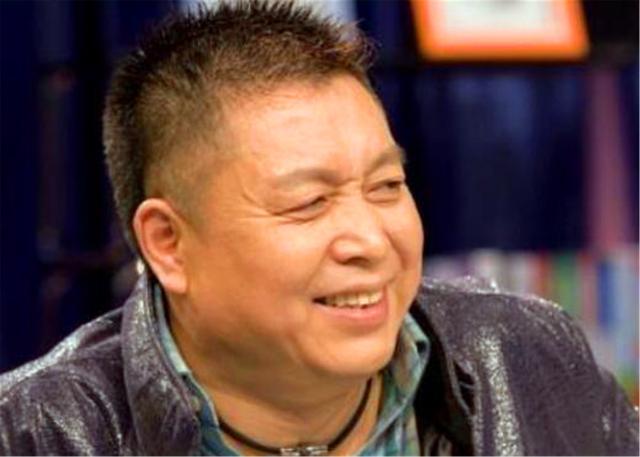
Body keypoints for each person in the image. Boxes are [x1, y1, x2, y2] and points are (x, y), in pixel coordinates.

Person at [0, 1, 637, 455]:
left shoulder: (529, 358)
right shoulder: (37, 434)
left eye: (387, 186)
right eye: (308, 202)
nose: (371, 241)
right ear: (168, 243)